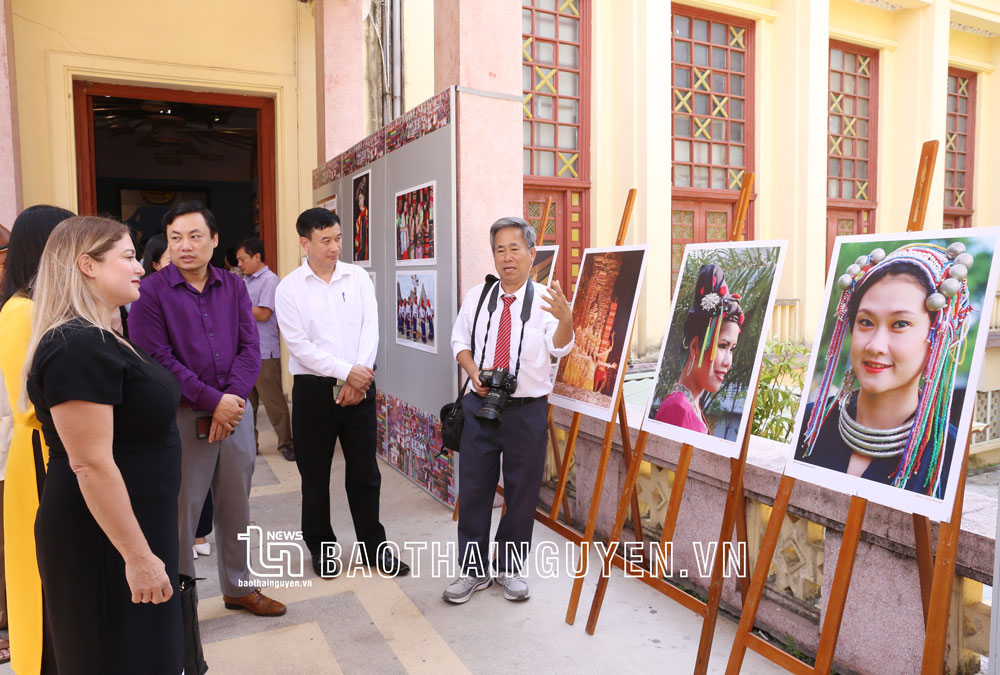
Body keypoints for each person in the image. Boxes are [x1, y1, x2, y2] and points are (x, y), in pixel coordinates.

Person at [23, 216, 182, 674]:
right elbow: (90, 463)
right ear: (87, 265)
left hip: (129, 526)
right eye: (129, 257)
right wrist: (137, 556)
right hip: (103, 538)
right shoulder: (76, 346)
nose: (141, 268)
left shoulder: (98, 336)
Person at [128, 201, 285, 617]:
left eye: (195, 236)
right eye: (176, 237)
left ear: (214, 241)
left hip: (234, 415)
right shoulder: (149, 293)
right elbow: (156, 358)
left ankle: (239, 588)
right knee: (182, 514)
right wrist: (212, 401)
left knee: (237, 507)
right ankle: (179, 605)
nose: (185, 246)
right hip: (182, 417)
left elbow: (250, 348)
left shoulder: (233, 287)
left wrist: (230, 402)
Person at [444, 216, 574, 604]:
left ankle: (509, 567)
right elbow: (458, 342)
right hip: (479, 404)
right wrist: (473, 372)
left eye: (515, 248)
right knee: (475, 488)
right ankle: (472, 570)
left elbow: (560, 346)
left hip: (527, 411)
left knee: (521, 492)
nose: (507, 257)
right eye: (500, 250)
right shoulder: (478, 296)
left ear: (532, 253)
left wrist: (567, 320)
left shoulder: (545, 302)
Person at [275, 208, 409, 579]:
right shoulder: (289, 288)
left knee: (366, 472)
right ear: (305, 243)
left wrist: (357, 378)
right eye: (325, 240)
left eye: (337, 239)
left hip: (360, 387)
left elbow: (371, 329)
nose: (335, 247)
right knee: (314, 474)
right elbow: (299, 346)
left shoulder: (358, 278)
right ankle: (322, 547)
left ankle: (373, 546)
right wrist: (345, 373)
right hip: (313, 393)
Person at [795, 243, 974, 498]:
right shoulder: (810, 423)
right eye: (866, 322)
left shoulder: (947, 452)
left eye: (900, 324)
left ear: (939, 335)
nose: (875, 346)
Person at [0, 204, 74, 674]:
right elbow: (28, 402)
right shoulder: (21, 311)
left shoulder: (41, 307)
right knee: (41, 578)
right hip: (39, 454)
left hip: (48, 450)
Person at [653, 264, 744, 434]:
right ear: (695, 346)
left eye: (731, 349)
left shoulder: (690, 403)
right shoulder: (677, 409)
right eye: (722, 346)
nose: (728, 362)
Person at [236, 236, 294, 462]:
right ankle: (251, 445)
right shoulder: (245, 280)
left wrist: (235, 306)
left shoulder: (270, 280)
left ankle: (287, 444)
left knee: (273, 402)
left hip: (265, 352)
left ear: (257, 257)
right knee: (247, 403)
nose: (239, 264)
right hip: (244, 352)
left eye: (243, 259)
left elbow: (263, 313)